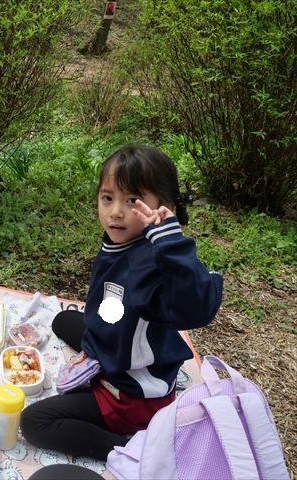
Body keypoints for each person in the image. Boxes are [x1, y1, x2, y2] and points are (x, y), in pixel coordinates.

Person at [20, 145, 223, 460]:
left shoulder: (159, 261)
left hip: (133, 392)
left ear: (164, 208)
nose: (115, 211)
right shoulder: (124, 241)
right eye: (107, 197)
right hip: (116, 345)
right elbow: (113, 300)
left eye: (132, 201)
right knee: (62, 320)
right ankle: (100, 358)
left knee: (34, 422)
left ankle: (129, 449)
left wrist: (172, 243)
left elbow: (196, 308)